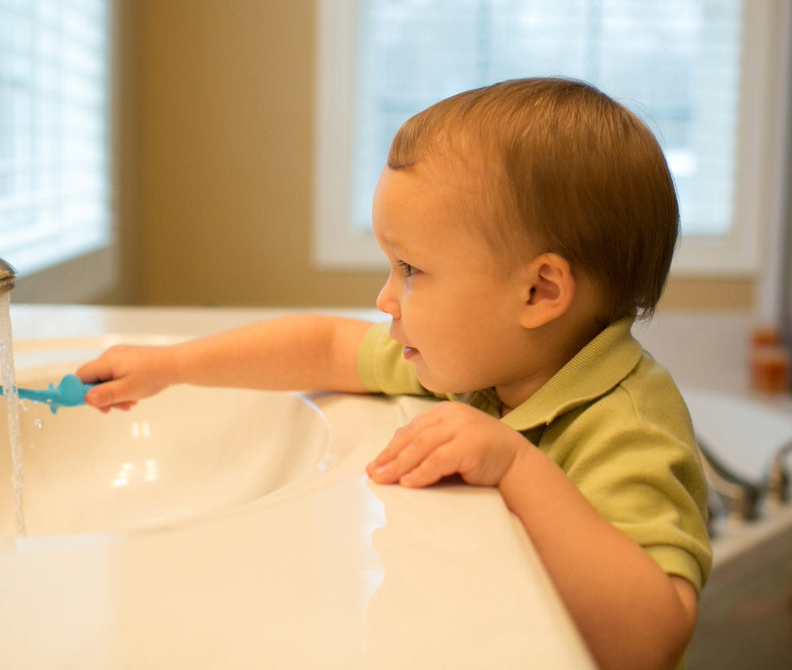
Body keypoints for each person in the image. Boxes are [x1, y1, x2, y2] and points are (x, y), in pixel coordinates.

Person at [78, 78, 711, 670]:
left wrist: (517, 466)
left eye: (410, 269)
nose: (387, 299)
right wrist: (173, 365)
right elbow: (326, 346)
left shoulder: (626, 424)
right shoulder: (480, 364)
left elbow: (650, 637)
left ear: (538, 292)